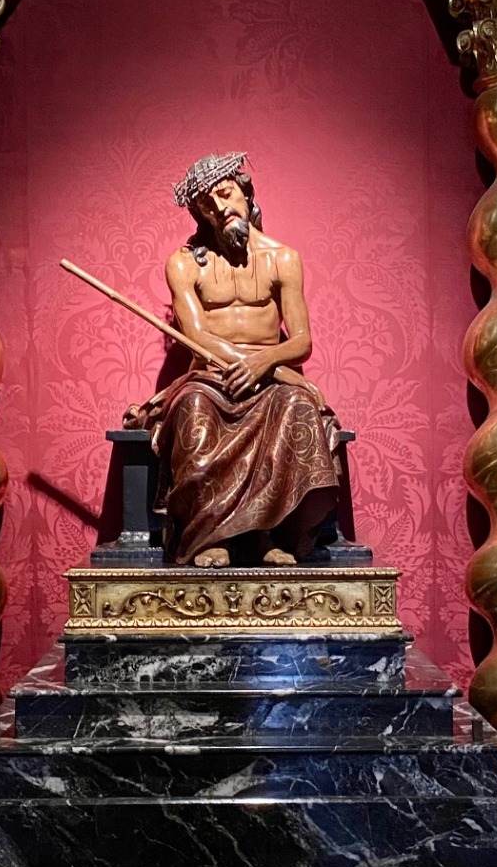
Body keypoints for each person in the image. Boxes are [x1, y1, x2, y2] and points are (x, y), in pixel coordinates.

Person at [128, 152, 341, 568]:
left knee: (297, 406)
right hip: (211, 377)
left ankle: (265, 535)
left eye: (226, 194)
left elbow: (301, 342)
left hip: (269, 380)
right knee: (194, 408)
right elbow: (197, 339)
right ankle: (209, 535)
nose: (220, 208)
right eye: (206, 205)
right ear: (199, 215)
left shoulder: (283, 258)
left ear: (246, 192)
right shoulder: (184, 263)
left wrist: (264, 365)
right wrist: (251, 365)